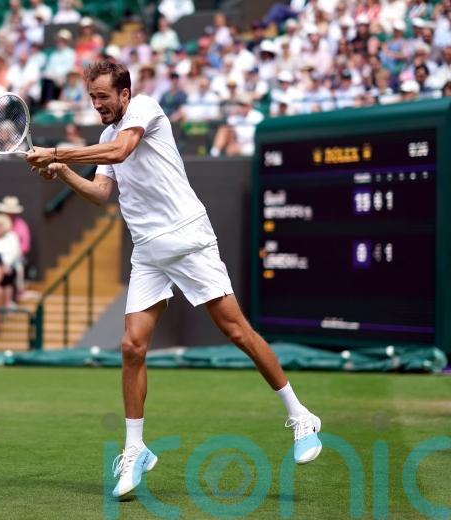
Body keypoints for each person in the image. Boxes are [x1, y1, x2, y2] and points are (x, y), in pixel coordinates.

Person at [25, 61, 322, 498]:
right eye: (92, 98)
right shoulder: (105, 137)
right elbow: (101, 193)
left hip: (188, 240)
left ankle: (301, 416)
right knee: (131, 346)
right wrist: (65, 174)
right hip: (147, 251)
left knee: (237, 331)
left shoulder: (145, 108)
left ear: (124, 94)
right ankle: (135, 448)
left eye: (103, 96)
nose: (97, 105)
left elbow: (122, 151)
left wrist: (56, 153)